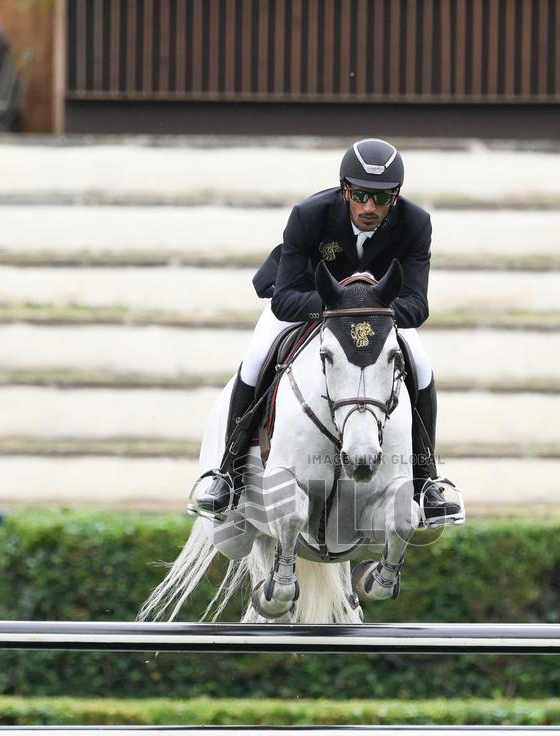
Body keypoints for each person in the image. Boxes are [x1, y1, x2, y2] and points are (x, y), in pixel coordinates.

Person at [197, 138, 460, 523]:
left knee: (421, 365)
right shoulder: (309, 215)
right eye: (360, 195)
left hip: (377, 314)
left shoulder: (416, 223)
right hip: (307, 302)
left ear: (396, 197)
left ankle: (426, 480)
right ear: (344, 190)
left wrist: (370, 312)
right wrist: (338, 310)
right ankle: (228, 472)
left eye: (382, 198)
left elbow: (417, 305)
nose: (370, 208)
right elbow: (284, 299)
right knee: (256, 358)